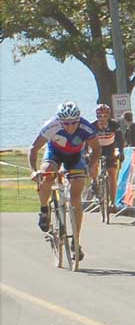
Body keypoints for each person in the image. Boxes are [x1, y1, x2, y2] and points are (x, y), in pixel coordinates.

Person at [28, 101, 101, 258]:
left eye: (74, 123)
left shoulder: (86, 127)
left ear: (78, 120)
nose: (70, 126)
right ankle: (44, 210)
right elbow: (34, 149)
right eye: (66, 123)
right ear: (60, 121)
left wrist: (92, 165)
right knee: (46, 173)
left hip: (75, 156)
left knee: (76, 195)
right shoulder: (51, 126)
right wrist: (33, 171)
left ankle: (75, 240)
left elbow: (97, 148)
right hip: (54, 153)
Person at [89, 104, 123, 210]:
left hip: (109, 148)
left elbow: (120, 139)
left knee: (112, 174)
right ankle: (94, 181)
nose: (102, 118)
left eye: (105, 116)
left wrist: (121, 152)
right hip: (96, 148)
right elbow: (86, 141)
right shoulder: (92, 126)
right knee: (92, 163)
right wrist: (86, 153)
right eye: (100, 116)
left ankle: (113, 203)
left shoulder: (114, 124)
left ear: (108, 116)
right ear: (97, 116)